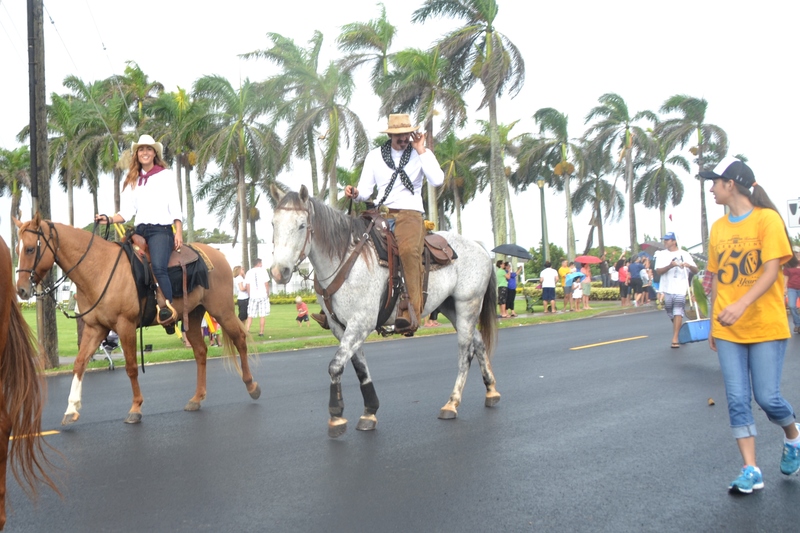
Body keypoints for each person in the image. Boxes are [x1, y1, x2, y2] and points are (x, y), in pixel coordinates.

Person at [700, 156, 800, 494]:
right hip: (729, 327)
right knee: (737, 398)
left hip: (765, 324)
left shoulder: (767, 220)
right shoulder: (718, 228)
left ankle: (794, 436)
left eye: (715, 182)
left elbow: (772, 271)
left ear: (731, 184)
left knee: (767, 397)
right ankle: (750, 469)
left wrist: (741, 304)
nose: (711, 189)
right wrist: (714, 322)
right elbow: (717, 278)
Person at [343, 113, 444, 335]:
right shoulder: (374, 157)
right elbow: (366, 191)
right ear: (390, 135)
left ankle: (411, 312)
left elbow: (437, 180)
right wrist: (356, 193)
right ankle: (338, 305)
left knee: (408, 251)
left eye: (407, 134)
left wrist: (421, 150)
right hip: (380, 214)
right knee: (352, 244)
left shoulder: (421, 154)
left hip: (409, 214)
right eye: (399, 135)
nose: (404, 138)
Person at [96, 134, 183, 333]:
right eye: (141, 149)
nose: (145, 152)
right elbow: (126, 213)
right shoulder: (131, 179)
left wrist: (178, 231)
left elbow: (175, 205)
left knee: (158, 268)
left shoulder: (166, 175)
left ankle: (168, 311)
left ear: (154, 153)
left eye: (148, 149)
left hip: (161, 230)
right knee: (122, 266)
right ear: (137, 154)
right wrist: (108, 219)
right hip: (140, 231)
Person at [654, 232, 698, 348]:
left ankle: (675, 338)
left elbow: (696, 270)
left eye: (667, 240)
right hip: (667, 287)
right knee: (670, 311)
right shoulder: (661, 254)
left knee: (678, 311)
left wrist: (689, 266)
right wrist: (671, 265)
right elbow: (658, 271)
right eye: (664, 240)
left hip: (680, 287)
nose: (665, 242)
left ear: (674, 241)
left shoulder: (684, 254)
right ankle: (679, 329)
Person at [244, 258, 270, 337]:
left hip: (253, 295)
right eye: (261, 263)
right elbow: (266, 283)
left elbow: (247, 285)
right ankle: (261, 332)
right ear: (258, 263)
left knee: (250, 315)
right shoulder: (263, 271)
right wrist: (267, 293)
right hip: (262, 295)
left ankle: (247, 330)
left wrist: (249, 294)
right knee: (262, 315)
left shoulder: (249, 272)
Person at [784, 245, 800, 334]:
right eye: (794, 252)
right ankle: (798, 324)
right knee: (791, 306)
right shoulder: (789, 264)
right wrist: (784, 288)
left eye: (797, 252)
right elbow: (786, 276)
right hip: (792, 288)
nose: (796, 254)